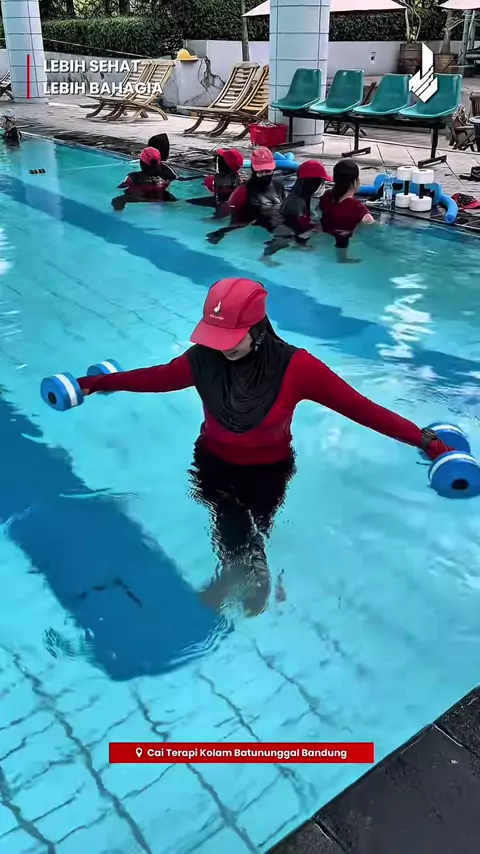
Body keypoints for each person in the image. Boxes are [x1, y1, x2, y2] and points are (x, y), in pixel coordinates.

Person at [76, 277, 452, 618]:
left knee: (252, 527)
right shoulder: (201, 358)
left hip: (268, 471)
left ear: (257, 328)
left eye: (230, 337)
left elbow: (361, 409)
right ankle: (244, 574)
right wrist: (98, 383)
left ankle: (243, 573)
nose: (221, 347)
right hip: (211, 461)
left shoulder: (298, 368)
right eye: (215, 336)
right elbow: (156, 378)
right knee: (228, 514)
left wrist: (427, 441)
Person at [206, 147, 286, 245]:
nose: (265, 175)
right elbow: (231, 211)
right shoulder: (242, 191)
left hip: (275, 222)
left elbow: (285, 208)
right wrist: (221, 229)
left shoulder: (278, 186)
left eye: (268, 171)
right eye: (260, 172)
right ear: (253, 170)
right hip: (253, 225)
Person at [263, 160, 332, 260]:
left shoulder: (303, 195)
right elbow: (297, 227)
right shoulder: (297, 203)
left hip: (292, 224)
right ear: (313, 184)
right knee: (283, 241)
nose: (323, 185)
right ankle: (265, 258)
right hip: (285, 229)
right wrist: (304, 242)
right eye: (321, 182)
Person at [318, 159, 374, 263]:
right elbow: (373, 230)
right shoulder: (359, 210)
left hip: (324, 241)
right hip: (347, 247)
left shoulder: (326, 196)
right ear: (355, 182)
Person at [111, 146, 178, 211]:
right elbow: (176, 179)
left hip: (139, 197)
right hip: (161, 196)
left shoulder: (134, 177)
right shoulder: (167, 172)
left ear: (142, 163)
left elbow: (121, 187)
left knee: (118, 200)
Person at [187, 148, 243, 218]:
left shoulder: (212, 179)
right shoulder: (239, 180)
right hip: (229, 206)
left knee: (187, 202)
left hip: (220, 205)